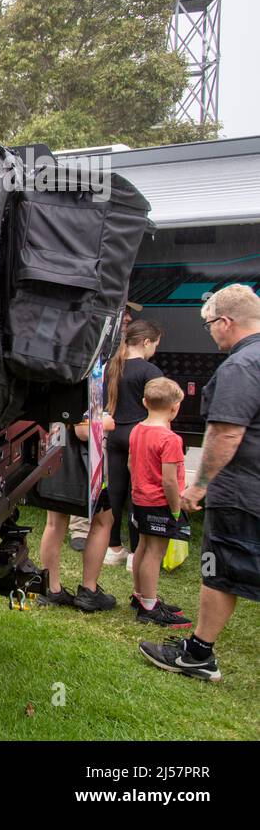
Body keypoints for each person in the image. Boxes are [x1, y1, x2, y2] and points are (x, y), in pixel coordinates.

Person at [140, 283, 260, 681]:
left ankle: (197, 654)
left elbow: (226, 432)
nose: (209, 331)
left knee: (219, 568)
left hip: (242, 491)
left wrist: (200, 484)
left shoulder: (241, 366)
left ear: (226, 322)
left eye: (209, 324)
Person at [37, 411, 118, 612]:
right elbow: (83, 431)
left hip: (54, 455)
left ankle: (51, 589)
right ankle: (89, 592)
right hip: (83, 467)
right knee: (103, 521)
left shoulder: (50, 381)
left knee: (54, 524)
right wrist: (105, 422)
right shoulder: (80, 381)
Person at [127, 377, 191, 628]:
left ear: (144, 402)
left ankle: (140, 595)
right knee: (155, 552)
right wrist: (176, 509)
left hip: (140, 498)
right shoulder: (170, 439)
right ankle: (150, 606)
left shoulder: (137, 429)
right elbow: (170, 481)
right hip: (160, 502)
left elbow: (131, 464)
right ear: (175, 408)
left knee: (142, 546)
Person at [103, 320, 165, 567]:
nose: (155, 351)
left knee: (115, 492)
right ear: (146, 342)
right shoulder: (150, 371)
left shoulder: (112, 366)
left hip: (115, 434)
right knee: (138, 494)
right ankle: (135, 553)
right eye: (156, 345)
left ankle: (113, 547)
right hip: (139, 435)